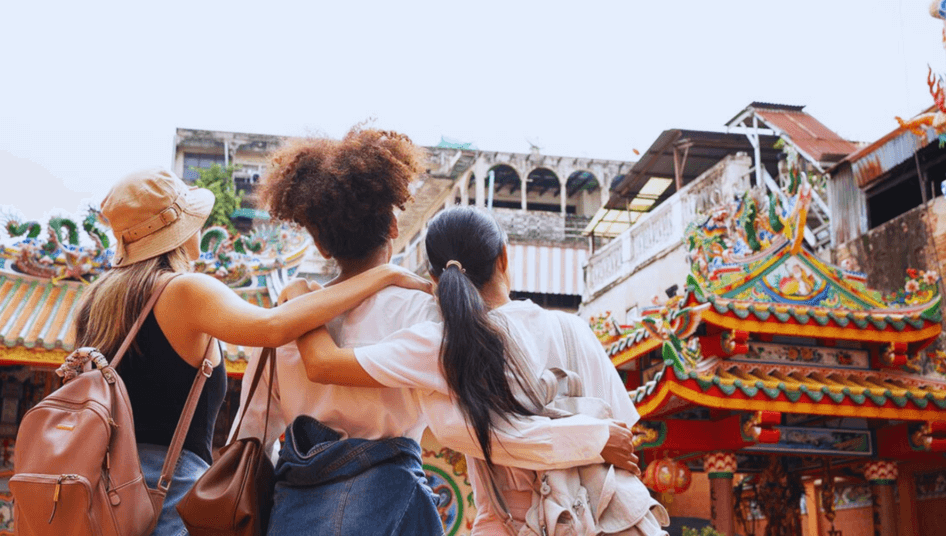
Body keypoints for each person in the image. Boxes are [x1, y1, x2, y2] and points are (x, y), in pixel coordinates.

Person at [231, 128, 641, 536]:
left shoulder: (289, 319)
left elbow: (250, 432)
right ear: (394, 226)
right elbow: (470, 428)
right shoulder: (427, 314)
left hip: (298, 511)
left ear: (320, 245)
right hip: (390, 510)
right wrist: (591, 438)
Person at [71, 167, 431, 536]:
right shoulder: (184, 291)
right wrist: (382, 275)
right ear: (179, 229)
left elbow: (254, 421)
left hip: (97, 493)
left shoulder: (95, 301)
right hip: (164, 497)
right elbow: (272, 328)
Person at [296, 206, 669, 535]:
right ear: (503, 258)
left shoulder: (440, 342)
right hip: (611, 518)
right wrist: (590, 440)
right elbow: (623, 440)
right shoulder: (576, 331)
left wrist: (301, 300)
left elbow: (322, 363)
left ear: (435, 278)